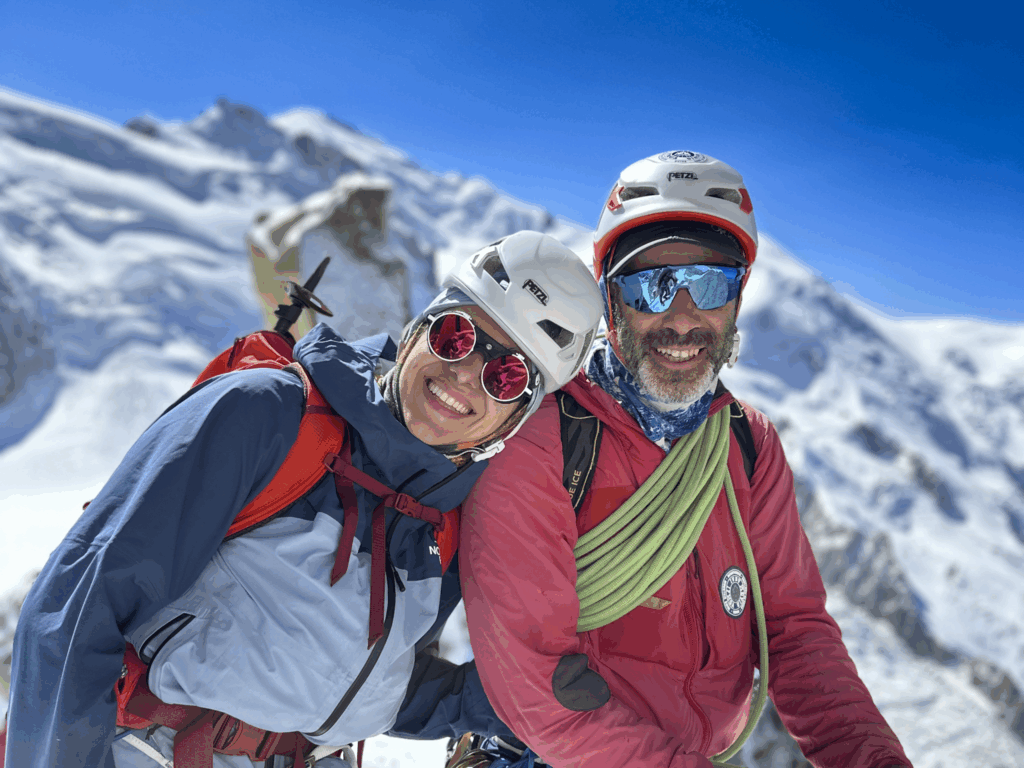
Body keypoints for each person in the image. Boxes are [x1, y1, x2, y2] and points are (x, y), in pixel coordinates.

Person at [4, 230, 604, 768]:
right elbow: (75, 611)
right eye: (458, 336)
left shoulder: (442, 518)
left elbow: (374, 688)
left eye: (508, 377)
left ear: (517, 417)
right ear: (422, 325)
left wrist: (522, 698)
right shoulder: (264, 415)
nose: (466, 375)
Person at [458, 152, 914, 768]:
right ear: (609, 300)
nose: (681, 318)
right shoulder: (545, 436)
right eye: (650, 286)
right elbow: (539, 679)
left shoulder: (748, 445)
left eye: (709, 285)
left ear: (737, 300)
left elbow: (795, 633)